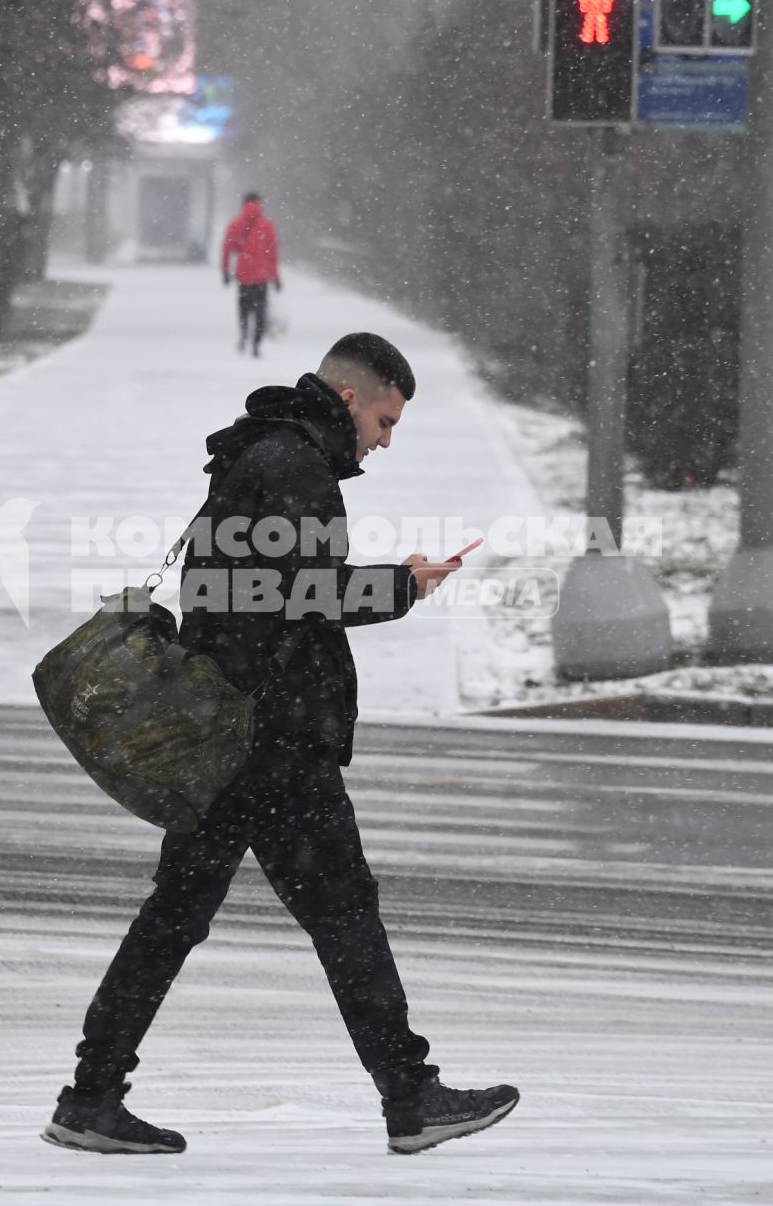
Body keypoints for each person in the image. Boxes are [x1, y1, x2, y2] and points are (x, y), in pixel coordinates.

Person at [43, 332, 520, 1156]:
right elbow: (302, 593)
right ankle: (411, 1097)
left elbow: (244, 589)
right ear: (347, 400)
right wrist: (402, 585)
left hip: (229, 730)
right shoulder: (293, 465)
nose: (385, 439)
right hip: (272, 737)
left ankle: (91, 1095)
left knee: (178, 917)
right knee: (342, 914)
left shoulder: (256, 454)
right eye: (383, 417)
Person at [220, 192, 282, 357]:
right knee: (260, 312)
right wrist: (275, 278)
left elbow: (227, 250)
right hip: (261, 277)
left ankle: (243, 335)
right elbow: (273, 255)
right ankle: (256, 345)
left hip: (244, 276)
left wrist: (226, 271)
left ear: (244, 203)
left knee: (244, 310)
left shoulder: (236, 224)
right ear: (259, 203)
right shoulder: (267, 226)